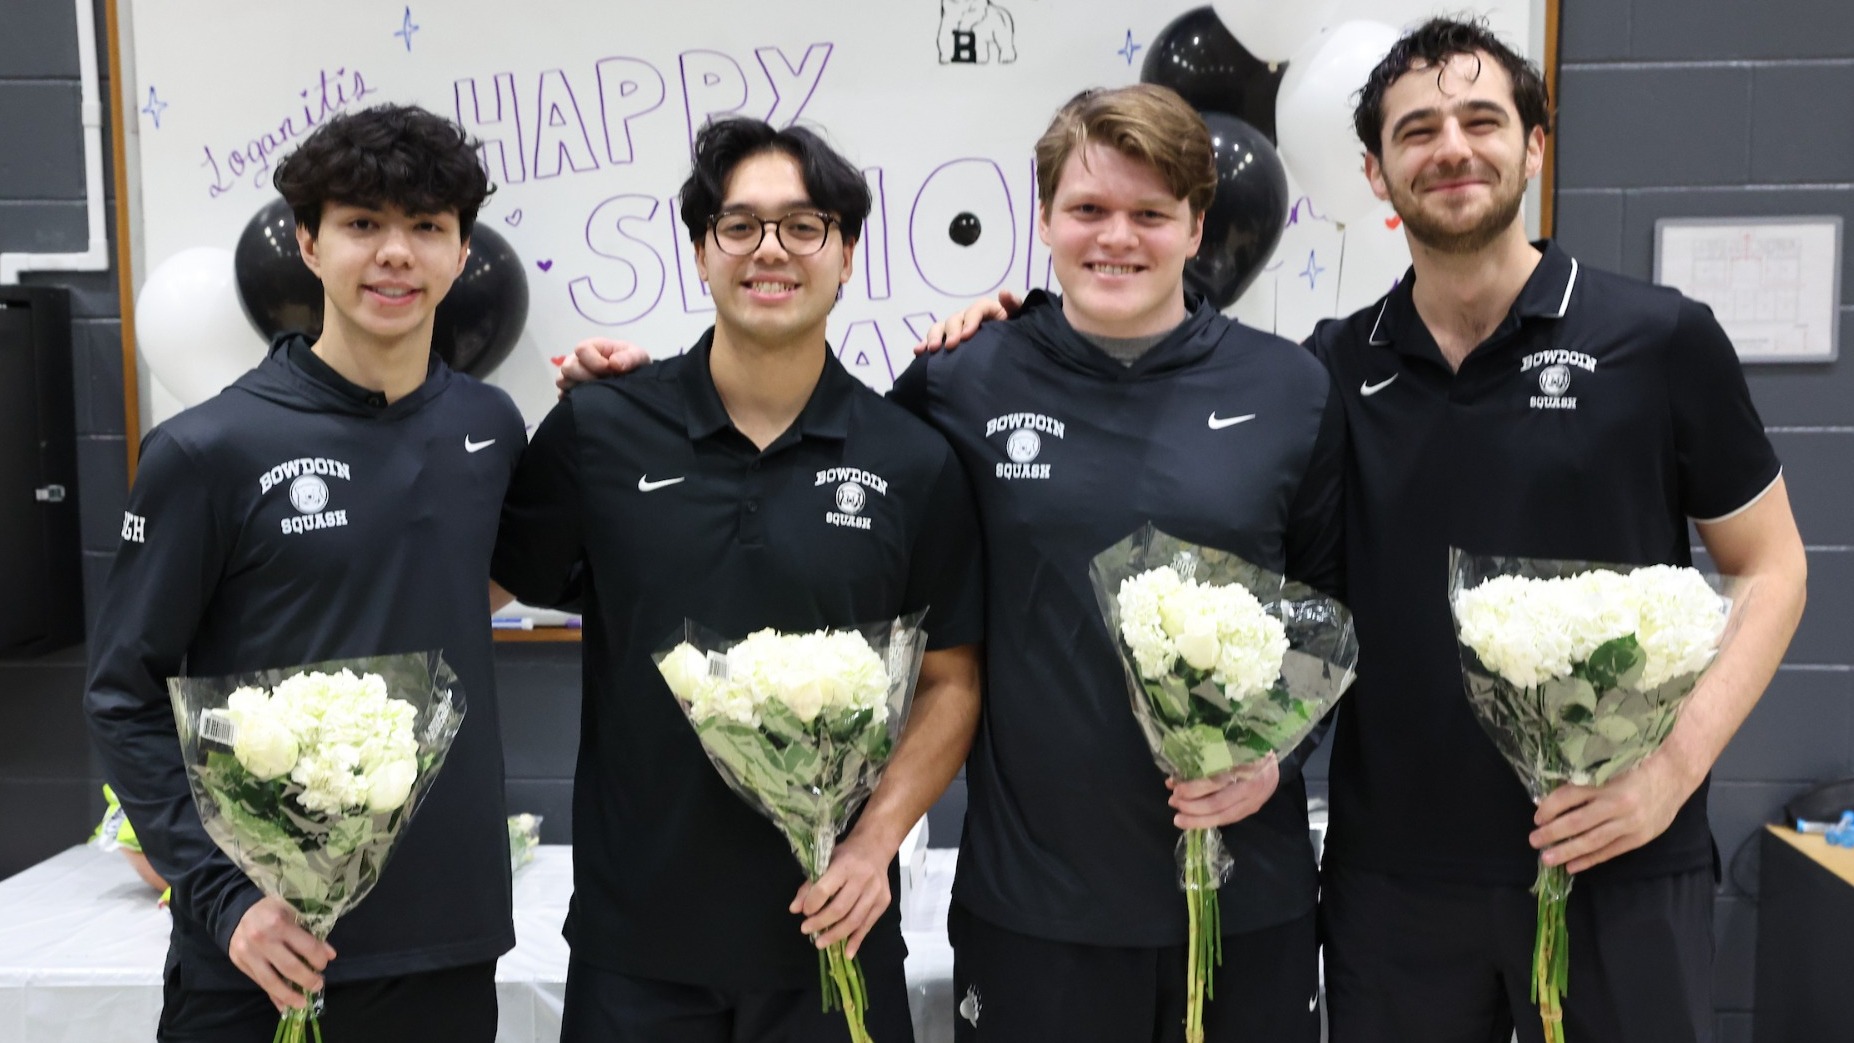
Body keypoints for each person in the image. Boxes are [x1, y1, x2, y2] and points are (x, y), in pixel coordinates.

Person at [916, 19, 1810, 1043]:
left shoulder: (1660, 338)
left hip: (1615, 851)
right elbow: (1312, 605)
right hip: (1392, 886)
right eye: (1417, 129)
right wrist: (1002, 321)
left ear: (1535, 145)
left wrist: (1668, 772)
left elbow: (1773, 565)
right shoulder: (1331, 370)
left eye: (1482, 119)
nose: (1452, 147)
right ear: (1376, 174)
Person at [559, 84, 1345, 1043]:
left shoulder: (1292, 386)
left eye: (1150, 213)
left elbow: (1331, 610)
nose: (1117, 238)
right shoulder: (964, 376)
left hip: (1244, 895)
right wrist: (636, 399)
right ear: (1045, 217)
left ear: (1196, 224)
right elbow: (806, 444)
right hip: (1033, 911)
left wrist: (1277, 755)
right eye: (1089, 210)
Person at [491, 116, 985, 1043]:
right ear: (700, 251)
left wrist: (874, 845)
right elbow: (465, 594)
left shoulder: (913, 459)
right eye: (740, 225)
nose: (772, 250)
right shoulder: (600, 433)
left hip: (836, 939)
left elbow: (953, 679)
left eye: (804, 226)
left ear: (845, 254)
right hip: (636, 956)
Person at [86, 104, 523, 1043]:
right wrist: (225, 897)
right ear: (309, 243)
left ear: (458, 252)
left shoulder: (491, 428)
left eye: (427, 227)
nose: (395, 253)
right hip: (259, 950)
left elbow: (460, 583)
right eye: (363, 223)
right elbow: (122, 689)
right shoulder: (207, 449)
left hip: (446, 943)